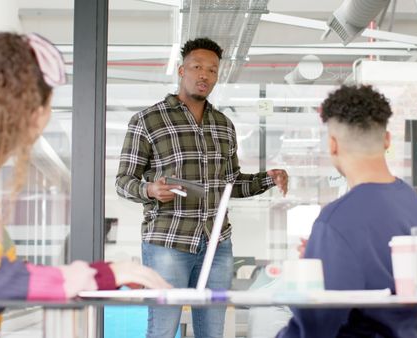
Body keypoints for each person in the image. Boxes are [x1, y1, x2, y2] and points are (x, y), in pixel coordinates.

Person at [0, 32, 170, 338]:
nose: (48, 115)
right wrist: (101, 275)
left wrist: (99, 278)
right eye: (49, 104)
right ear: (31, 112)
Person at [116, 37, 289, 338]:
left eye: (212, 70)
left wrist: (267, 178)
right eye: (197, 67)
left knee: (212, 332)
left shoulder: (223, 125)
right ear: (182, 71)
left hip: (217, 244)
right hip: (168, 243)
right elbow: (123, 182)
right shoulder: (147, 120)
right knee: (162, 330)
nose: (204, 75)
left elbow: (230, 185)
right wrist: (150, 190)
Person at [277, 85, 417, 338]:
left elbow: (315, 327)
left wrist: (313, 272)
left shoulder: (334, 221)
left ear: (333, 145)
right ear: (387, 139)